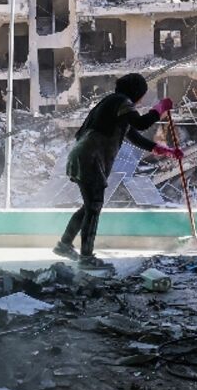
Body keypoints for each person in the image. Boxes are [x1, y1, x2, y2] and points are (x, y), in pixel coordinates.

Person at [54, 73, 183, 267]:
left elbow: (133, 135)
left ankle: (64, 244)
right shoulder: (121, 101)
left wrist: (162, 150)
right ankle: (86, 257)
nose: (141, 101)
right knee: (94, 207)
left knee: (90, 206)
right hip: (91, 157)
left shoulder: (112, 105)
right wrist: (159, 108)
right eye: (142, 95)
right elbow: (141, 124)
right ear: (137, 93)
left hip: (82, 156)